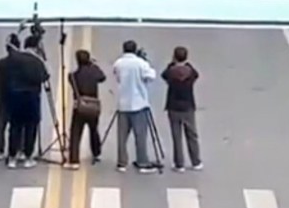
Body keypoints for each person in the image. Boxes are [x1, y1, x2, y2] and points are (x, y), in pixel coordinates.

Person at [113, 40, 158, 173]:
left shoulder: (119, 63)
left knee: (122, 136)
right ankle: (142, 161)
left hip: (123, 104)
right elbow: (151, 76)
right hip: (139, 104)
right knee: (140, 136)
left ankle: (121, 162)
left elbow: (117, 77)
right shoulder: (141, 64)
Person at [5, 34, 50, 169]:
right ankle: (27, 155)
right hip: (31, 97)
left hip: (15, 96)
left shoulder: (15, 58)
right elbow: (44, 77)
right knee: (31, 127)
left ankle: (12, 156)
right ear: (36, 47)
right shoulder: (37, 61)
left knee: (15, 126)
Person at [162, 46, 203, 172]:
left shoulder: (170, 72)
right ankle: (195, 161)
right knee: (192, 135)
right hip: (188, 106)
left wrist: (172, 64)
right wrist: (187, 63)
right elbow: (196, 73)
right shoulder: (190, 73)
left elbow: (164, 74)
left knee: (176, 136)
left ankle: (179, 163)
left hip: (173, 106)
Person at [66, 49, 105, 169]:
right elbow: (102, 77)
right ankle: (96, 152)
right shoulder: (94, 73)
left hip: (80, 106)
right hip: (93, 105)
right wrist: (93, 65)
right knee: (94, 130)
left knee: (75, 132)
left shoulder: (72, 76)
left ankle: (74, 160)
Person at [0, 34, 20, 160]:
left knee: (0, 126)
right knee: (16, 126)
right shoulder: (20, 64)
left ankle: (0, 150)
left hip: (1, 98)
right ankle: (16, 149)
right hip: (17, 98)